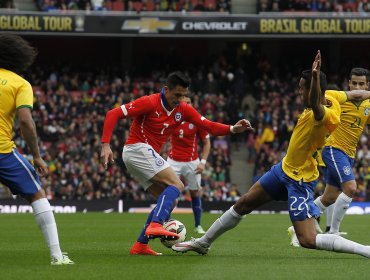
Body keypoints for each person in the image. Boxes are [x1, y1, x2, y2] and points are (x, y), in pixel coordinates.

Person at [172, 51, 370, 259]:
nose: (299, 91)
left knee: (308, 240)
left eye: (302, 88)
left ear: (312, 90)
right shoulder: (335, 95)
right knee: (244, 203)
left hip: (300, 179)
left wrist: (315, 76)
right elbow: (356, 94)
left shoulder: (327, 113)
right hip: (283, 169)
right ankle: (203, 243)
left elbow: (316, 105)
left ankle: (364, 250)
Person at [100, 71, 253, 255]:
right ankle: (156, 225)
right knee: (177, 184)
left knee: (170, 200)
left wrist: (233, 129)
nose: (180, 99)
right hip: (136, 148)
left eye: (183, 95)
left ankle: (140, 244)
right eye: (177, 94)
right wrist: (106, 144)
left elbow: (208, 125)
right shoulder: (150, 102)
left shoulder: (183, 109)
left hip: (142, 155)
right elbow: (113, 113)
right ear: (166, 89)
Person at [0, 34, 73, 265]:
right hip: (2, 151)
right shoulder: (19, 83)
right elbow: (25, 121)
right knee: (36, 194)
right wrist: (37, 156)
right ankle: (56, 256)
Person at [313, 67, 370, 235]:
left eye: (362, 84)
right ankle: (333, 232)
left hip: (349, 154)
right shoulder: (339, 98)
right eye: (354, 83)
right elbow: (319, 99)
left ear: (367, 85)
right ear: (349, 84)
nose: (357, 87)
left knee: (329, 197)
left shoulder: (367, 105)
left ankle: (302, 220)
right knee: (351, 188)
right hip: (333, 149)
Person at [167, 96, 211, 234]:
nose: (185, 105)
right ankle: (165, 223)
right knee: (169, 193)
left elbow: (207, 143)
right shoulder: (172, 117)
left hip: (192, 162)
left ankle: (198, 225)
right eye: (183, 102)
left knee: (194, 192)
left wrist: (203, 162)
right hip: (173, 161)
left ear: (192, 104)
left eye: (188, 102)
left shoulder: (197, 120)